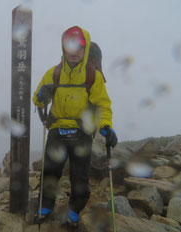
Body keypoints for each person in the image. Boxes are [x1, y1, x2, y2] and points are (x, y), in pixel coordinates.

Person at [32, 26, 118, 228]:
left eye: (78, 47)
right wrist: (41, 96)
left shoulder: (93, 76)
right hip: (57, 130)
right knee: (50, 172)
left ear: (85, 48)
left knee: (79, 178)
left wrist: (106, 126)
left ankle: (73, 211)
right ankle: (45, 206)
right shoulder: (53, 73)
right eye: (69, 46)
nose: (73, 52)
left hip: (81, 132)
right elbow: (37, 101)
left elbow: (103, 105)